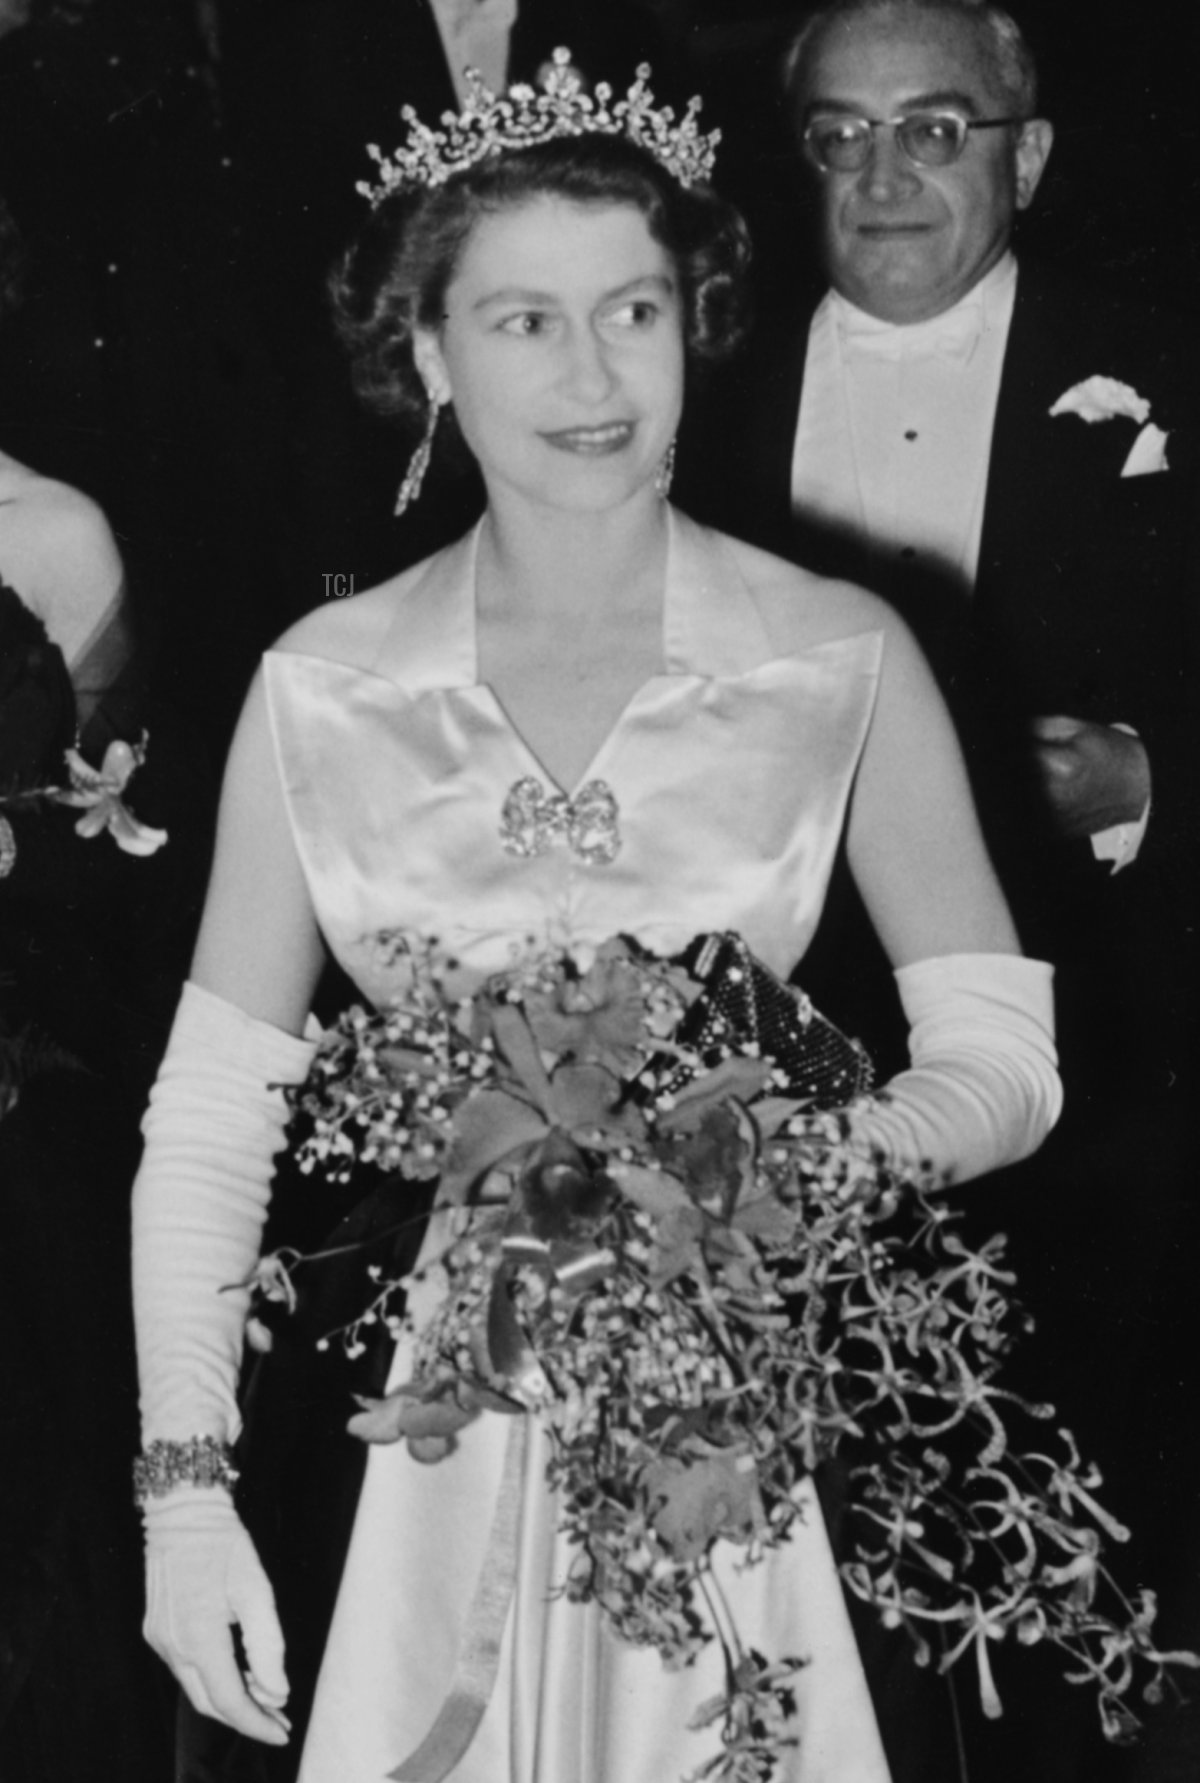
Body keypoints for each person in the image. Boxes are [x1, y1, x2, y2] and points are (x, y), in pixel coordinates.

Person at [130, 51, 1062, 1783]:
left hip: (754, 1416)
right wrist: (185, 1496)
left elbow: (1004, 1057)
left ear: (691, 321)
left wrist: (793, 1171)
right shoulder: (324, 685)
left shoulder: (837, 650)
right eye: (525, 322)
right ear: (429, 354)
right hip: (401, 1448)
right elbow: (209, 1117)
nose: (592, 375)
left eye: (632, 311)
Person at [674, 4, 1197, 1775]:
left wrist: (1149, 782)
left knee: (1083, 1581)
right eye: (838, 134)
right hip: (781, 1076)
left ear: (1025, 155)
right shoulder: (691, 398)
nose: (882, 174)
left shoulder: (1167, 376)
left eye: (934, 129)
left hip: (1109, 1071)